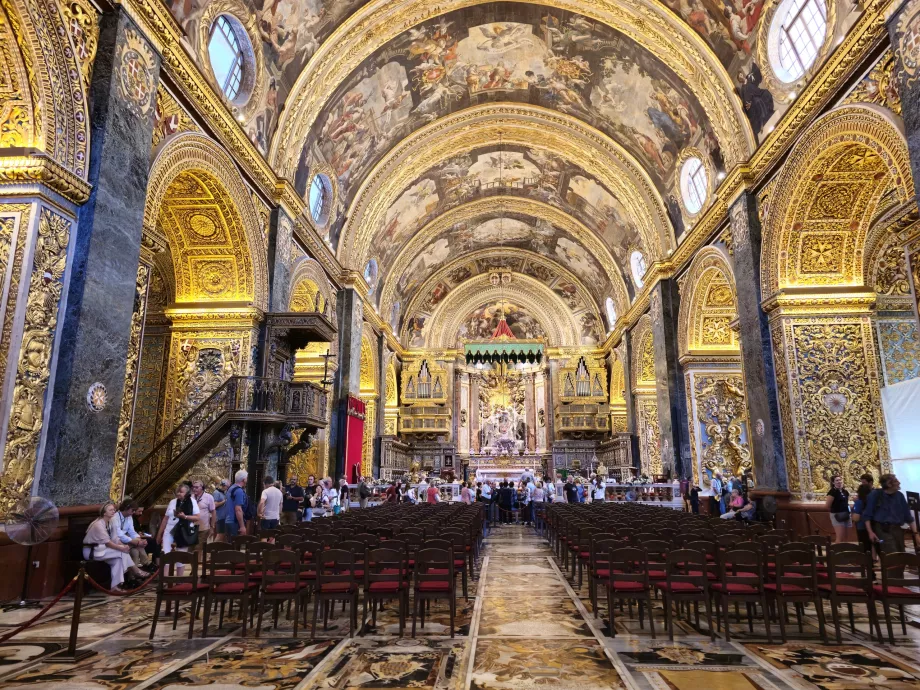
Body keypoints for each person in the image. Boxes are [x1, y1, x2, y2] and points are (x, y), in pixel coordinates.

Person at [83, 502, 146, 589]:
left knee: (118, 561)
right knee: (122, 553)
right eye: (111, 510)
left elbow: (115, 538)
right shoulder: (98, 524)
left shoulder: (111, 521)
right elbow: (108, 542)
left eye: (114, 510)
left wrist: (123, 546)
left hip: (104, 550)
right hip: (92, 551)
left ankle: (115, 587)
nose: (113, 511)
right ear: (104, 513)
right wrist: (121, 548)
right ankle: (135, 570)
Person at [864, 473, 919, 559]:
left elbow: (908, 516)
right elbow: (867, 515)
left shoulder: (899, 495)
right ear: (889, 484)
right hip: (882, 529)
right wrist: (870, 532)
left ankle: (898, 572)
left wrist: (916, 534)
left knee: (901, 554)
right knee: (892, 555)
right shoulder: (875, 495)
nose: (899, 483)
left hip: (897, 529)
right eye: (896, 481)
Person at [157, 483, 200, 559]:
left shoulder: (192, 502)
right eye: (178, 492)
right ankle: (165, 571)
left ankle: (179, 570)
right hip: (169, 529)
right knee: (166, 554)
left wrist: (185, 516)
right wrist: (159, 534)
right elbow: (165, 519)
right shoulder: (172, 502)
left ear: (186, 493)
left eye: (181, 492)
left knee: (180, 557)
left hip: (184, 531)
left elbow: (197, 517)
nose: (179, 493)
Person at [115, 499, 153, 571]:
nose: (134, 512)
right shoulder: (115, 517)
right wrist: (135, 542)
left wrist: (139, 539)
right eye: (133, 510)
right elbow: (119, 534)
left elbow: (132, 531)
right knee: (138, 547)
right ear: (126, 508)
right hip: (116, 540)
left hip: (125, 540)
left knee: (135, 552)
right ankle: (147, 563)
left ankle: (132, 578)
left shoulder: (129, 517)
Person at [851, 484, 875, 560]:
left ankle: (867, 565)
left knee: (865, 548)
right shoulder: (872, 501)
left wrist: (852, 513)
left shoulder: (859, 502)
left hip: (862, 527)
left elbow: (856, 518)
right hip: (873, 526)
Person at [825, 474, 851, 543]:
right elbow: (827, 505)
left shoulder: (845, 491)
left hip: (846, 514)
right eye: (837, 480)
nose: (839, 481)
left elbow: (846, 503)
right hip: (837, 515)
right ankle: (837, 552)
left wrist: (850, 511)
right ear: (833, 482)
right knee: (839, 537)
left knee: (846, 537)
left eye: (840, 480)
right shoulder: (832, 492)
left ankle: (846, 551)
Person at [225, 470, 249, 537]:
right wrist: (242, 526)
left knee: (230, 545)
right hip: (234, 522)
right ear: (244, 479)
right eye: (247, 478)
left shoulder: (231, 488)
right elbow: (238, 509)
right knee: (235, 545)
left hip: (228, 521)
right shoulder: (239, 491)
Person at [191, 480, 215, 548]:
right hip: (191, 528)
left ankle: (198, 559)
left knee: (198, 549)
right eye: (193, 487)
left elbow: (213, 512)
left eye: (196, 487)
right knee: (190, 550)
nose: (194, 489)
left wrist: (212, 527)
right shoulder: (190, 497)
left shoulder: (209, 497)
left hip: (203, 529)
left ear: (202, 487)